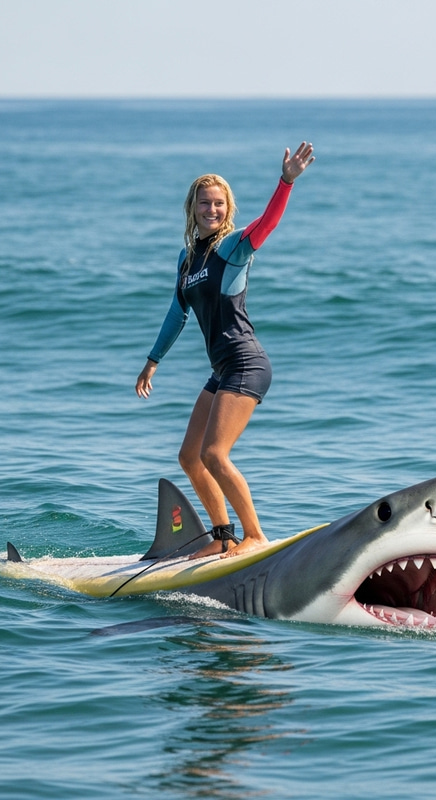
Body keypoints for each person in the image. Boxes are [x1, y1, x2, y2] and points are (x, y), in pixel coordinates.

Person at [135, 143, 315, 559]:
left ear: (227, 208)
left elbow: (268, 224)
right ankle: (222, 535)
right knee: (189, 457)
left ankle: (255, 534)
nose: (211, 209)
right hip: (221, 368)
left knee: (214, 454)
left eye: (218, 203)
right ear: (192, 208)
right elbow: (176, 314)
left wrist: (285, 182)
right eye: (204, 202)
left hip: (246, 363)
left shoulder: (233, 248)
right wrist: (152, 361)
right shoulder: (187, 259)